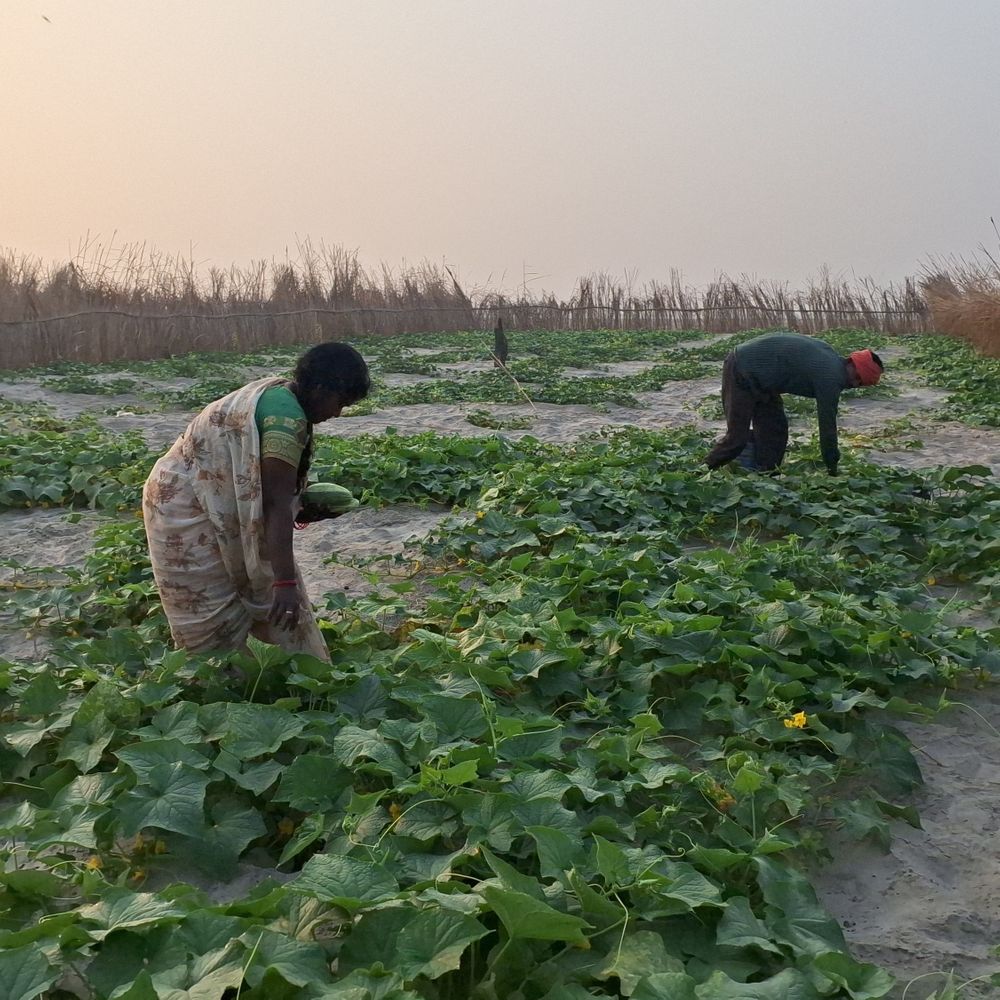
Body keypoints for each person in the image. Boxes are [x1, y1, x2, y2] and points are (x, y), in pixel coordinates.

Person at [142, 341, 370, 661]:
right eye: (339, 402)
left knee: (253, 590)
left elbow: (267, 490)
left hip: (204, 496)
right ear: (319, 388)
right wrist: (286, 582)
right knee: (211, 606)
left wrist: (300, 505)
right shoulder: (286, 420)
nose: (336, 413)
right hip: (182, 503)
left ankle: (254, 676)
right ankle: (217, 680)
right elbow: (273, 504)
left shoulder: (283, 398)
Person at [704, 332, 884, 476]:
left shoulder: (832, 360)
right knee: (737, 437)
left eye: (860, 385)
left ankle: (766, 476)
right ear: (855, 371)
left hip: (765, 382)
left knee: (776, 431)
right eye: (858, 381)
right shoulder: (831, 378)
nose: (854, 385)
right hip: (741, 368)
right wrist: (832, 468)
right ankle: (701, 472)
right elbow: (827, 428)